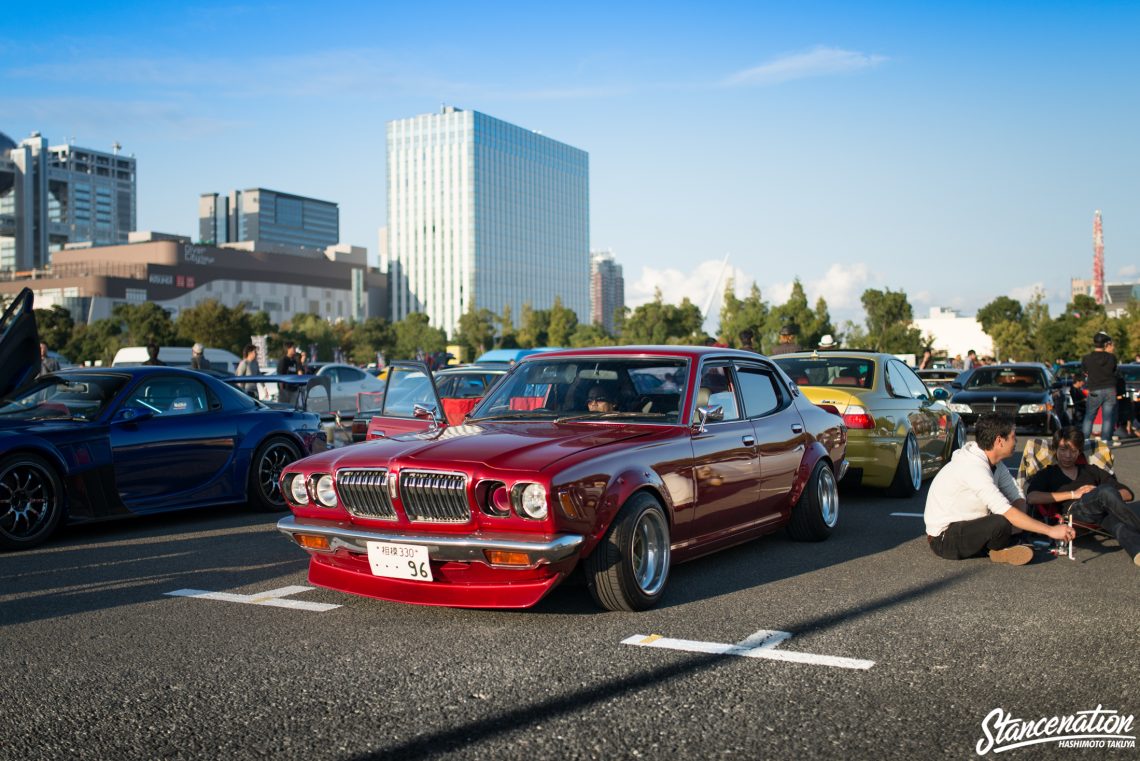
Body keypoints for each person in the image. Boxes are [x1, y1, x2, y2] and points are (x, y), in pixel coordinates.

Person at [924, 412, 1075, 565]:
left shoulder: (995, 463)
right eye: (1013, 436)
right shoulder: (972, 468)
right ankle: (1000, 548)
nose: (1016, 441)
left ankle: (1004, 545)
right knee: (1001, 522)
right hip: (944, 539)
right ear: (999, 441)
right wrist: (1051, 530)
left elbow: (1017, 496)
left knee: (1020, 513)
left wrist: (1018, 525)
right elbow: (1004, 510)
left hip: (971, 526)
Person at [1026, 427, 1138, 567]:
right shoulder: (1048, 473)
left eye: (1073, 451)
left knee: (1117, 524)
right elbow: (1032, 497)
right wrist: (1074, 494)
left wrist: (1096, 493)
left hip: (1100, 511)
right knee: (1105, 493)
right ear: (1055, 450)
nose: (1068, 455)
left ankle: (1137, 552)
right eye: (1063, 450)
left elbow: (1128, 494)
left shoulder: (1091, 470)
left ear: (1079, 451)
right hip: (1074, 512)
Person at [1081, 331, 1117, 446]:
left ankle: (1085, 439)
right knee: (1107, 417)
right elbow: (1114, 371)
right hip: (1110, 389)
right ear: (1105, 344)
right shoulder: (1112, 358)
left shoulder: (1087, 358)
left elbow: (1085, 372)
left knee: (1089, 416)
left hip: (1095, 389)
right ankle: (1105, 440)